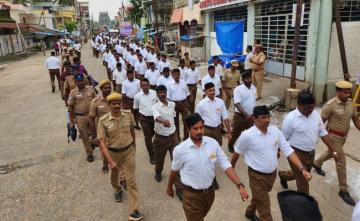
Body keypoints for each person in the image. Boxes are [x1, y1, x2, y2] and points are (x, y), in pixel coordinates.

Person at [231, 105, 312, 221]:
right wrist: (232, 169)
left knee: (259, 197)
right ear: (254, 118)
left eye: (268, 117)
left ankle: (249, 212)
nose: (267, 120)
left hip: (272, 175)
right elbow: (236, 153)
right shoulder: (247, 136)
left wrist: (302, 169)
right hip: (256, 177)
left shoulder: (275, 131)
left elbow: (289, 151)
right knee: (265, 212)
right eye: (263, 117)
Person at [167, 113, 249, 221]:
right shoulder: (180, 150)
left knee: (201, 216)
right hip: (191, 196)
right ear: (188, 129)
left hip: (210, 194)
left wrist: (239, 185)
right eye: (195, 129)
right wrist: (169, 187)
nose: (199, 131)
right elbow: (174, 170)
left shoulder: (212, 144)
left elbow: (225, 164)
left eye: (201, 127)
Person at [278, 92, 337, 194]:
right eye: (308, 107)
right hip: (296, 153)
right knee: (303, 182)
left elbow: (323, 133)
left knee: (301, 173)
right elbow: (283, 139)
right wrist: (277, 150)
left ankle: (283, 175)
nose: (311, 110)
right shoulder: (290, 119)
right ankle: (305, 206)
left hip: (310, 153)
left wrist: (334, 150)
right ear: (299, 104)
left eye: (313, 107)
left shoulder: (316, 115)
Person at [97, 92, 144, 221]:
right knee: (114, 175)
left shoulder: (128, 115)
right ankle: (117, 188)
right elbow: (102, 143)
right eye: (114, 104)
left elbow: (132, 131)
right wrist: (110, 161)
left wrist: (133, 146)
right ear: (108, 105)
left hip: (128, 151)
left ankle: (135, 210)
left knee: (131, 181)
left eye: (119, 103)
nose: (117, 106)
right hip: (113, 153)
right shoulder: (103, 121)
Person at [313, 80, 360, 206]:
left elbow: (355, 119)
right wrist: (316, 137)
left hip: (344, 137)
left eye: (349, 92)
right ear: (338, 92)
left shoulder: (351, 104)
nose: (348, 94)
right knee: (341, 161)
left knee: (331, 153)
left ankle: (317, 163)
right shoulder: (330, 105)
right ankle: (343, 190)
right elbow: (320, 123)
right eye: (345, 92)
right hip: (333, 137)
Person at [152, 85, 180, 183]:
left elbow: (174, 116)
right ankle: (158, 172)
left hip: (173, 136)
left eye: (164, 92)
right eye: (160, 92)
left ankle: (178, 183)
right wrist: (163, 121)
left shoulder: (172, 104)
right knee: (159, 160)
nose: (162, 94)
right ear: (157, 94)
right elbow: (156, 117)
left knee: (176, 160)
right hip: (160, 138)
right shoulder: (155, 107)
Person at [68, 74, 97, 162]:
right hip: (80, 117)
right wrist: (72, 121)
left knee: (94, 132)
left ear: (84, 81)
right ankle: (89, 153)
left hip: (92, 116)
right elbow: (70, 107)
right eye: (78, 81)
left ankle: (92, 142)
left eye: (81, 81)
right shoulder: (73, 93)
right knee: (84, 135)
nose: (80, 83)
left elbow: (96, 101)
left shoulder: (91, 89)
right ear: (76, 82)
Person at [228, 70, 256, 153]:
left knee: (252, 133)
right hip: (240, 116)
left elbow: (253, 102)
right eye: (247, 79)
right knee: (236, 133)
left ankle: (249, 147)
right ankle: (230, 144)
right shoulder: (238, 89)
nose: (249, 80)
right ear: (243, 80)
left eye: (250, 78)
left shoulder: (254, 88)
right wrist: (246, 115)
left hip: (251, 116)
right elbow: (237, 103)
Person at [196, 82, 231, 146]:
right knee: (207, 149)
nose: (213, 92)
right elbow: (197, 120)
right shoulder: (201, 104)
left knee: (218, 147)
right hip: (206, 131)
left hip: (217, 130)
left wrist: (229, 132)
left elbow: (225, 117)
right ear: (205, 91)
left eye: (214, 90)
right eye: (210, 90)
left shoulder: (220, 102)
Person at [89, 80, 113, 173]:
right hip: (103, 130)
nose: (108, 90)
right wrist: (94, 136)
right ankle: (105, 163)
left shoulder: (115, 100)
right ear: (101, 89)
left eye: (109, 88)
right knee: (104, 148)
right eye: (105, 88)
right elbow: (91, 119)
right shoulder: (95, 102)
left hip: (115, 128)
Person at [133, 78, 158, 164]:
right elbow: (135, 109)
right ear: (141, 86)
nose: (145, 87)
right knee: (147, 137)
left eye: (146, 85)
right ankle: (152, 155)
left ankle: (152, 145)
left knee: (155, 133)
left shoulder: (155, 93)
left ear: (149, 85)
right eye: (143, 85)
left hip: (155, 118)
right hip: (144, 119)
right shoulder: (137, 96)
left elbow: (159, 104)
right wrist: (137, 121)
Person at [167, 68, 190, 140]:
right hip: (174, 106)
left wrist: (188, 104)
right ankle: (177, 136)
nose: (176, 76)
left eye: (178, 74)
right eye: (175, 74)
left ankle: (186, 136)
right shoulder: (169, 84)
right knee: (175, 121)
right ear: (172, 75)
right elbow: (167, 96)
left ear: (180, 75)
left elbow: (187, 94)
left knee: (186, 121)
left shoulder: (184, 83)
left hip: (183, 104)